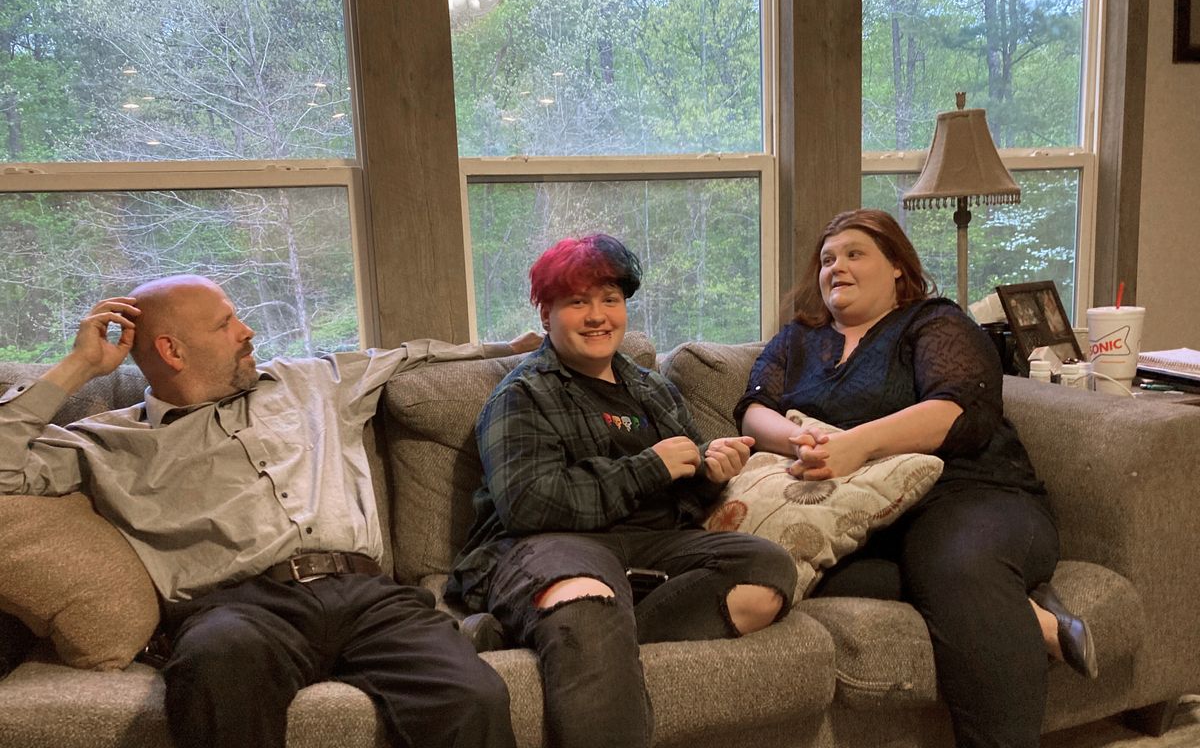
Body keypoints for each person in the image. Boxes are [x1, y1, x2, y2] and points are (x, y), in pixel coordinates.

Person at [0, 274, 530, 748]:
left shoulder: (311, 381)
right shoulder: (109, 441)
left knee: (474, 696)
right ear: (172, 350)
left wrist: (512, 346)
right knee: (217, 668)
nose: (247, 331)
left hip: (370, 596)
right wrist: (78, 368)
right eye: (226, 323)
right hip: (238, 609)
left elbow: (416, 356)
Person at [736, 209, 1096, 748]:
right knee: (796, 572)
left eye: (855, 253)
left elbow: (959, 407)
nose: (837, 267)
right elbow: (752, 408)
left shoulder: (933, 321)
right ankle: (1029, 612)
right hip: (866, 512)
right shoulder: (797, 341)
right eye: (828, 259)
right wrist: (799, 441)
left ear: (898, 268)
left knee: (953, 566)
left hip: (972, 496)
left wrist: (855, 445)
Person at [448, 234, 798, 748]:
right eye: (577, 302)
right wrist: (647, 469)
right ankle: (578, 616)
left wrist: (711, 473)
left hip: (650, 549)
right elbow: (528, 504)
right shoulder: (522, 395)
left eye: (610, 299)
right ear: (546, 315)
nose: (597, 316)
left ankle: (536, 630)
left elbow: (685, 479)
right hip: (547, 545)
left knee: (767, 570)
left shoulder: (651, 388)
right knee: (588, 594)